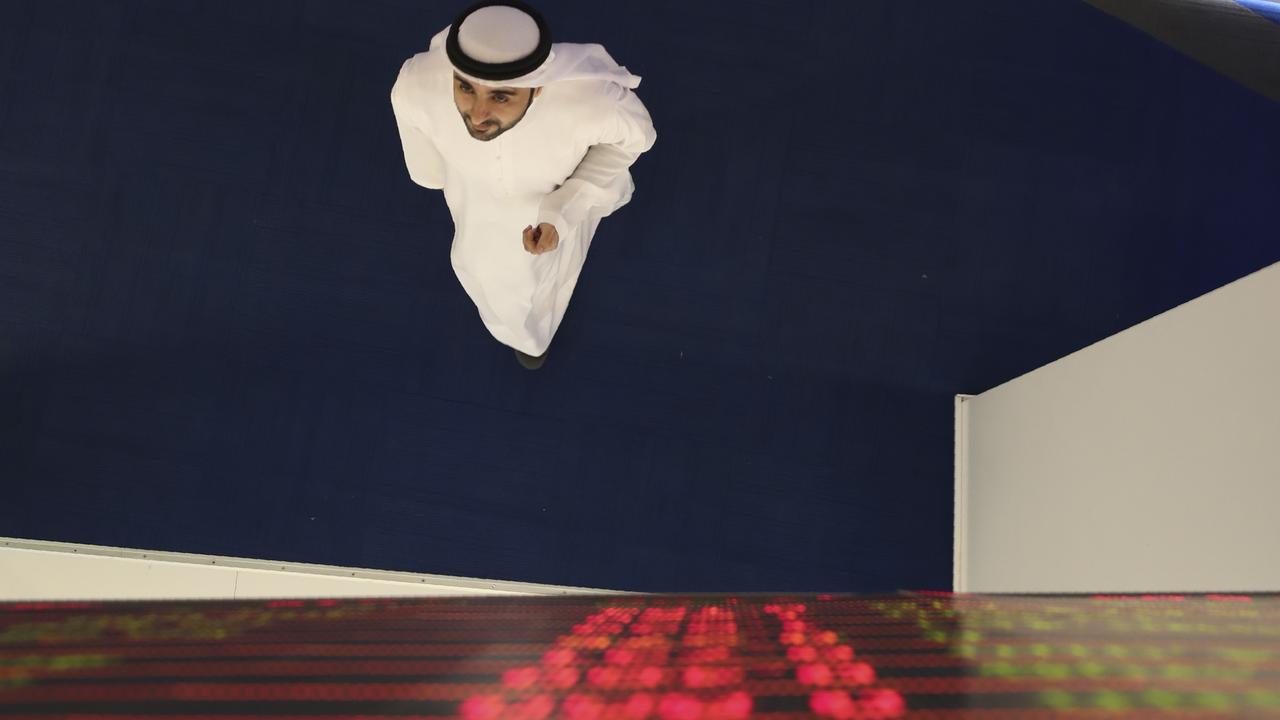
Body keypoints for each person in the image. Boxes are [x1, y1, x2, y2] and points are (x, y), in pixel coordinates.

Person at [391, 0, 657, 370]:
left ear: (538, 89)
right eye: (466, 87)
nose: (478, 114)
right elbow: (428, 171)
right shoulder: (417, 84)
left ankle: (531, 339)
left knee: (535, 281)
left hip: (553, 199)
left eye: (500, 96)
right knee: (486, 276)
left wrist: (564, 209)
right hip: (473, 204)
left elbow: (634, 140)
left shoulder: (593, 104)